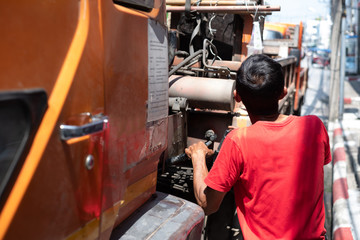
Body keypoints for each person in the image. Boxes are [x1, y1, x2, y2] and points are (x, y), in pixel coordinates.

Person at [185, 54, 331, 239]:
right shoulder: (315, 127)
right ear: (283, 93)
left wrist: (198, 157)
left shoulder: (238, 141)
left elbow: (207, 204)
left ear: (237, 97)